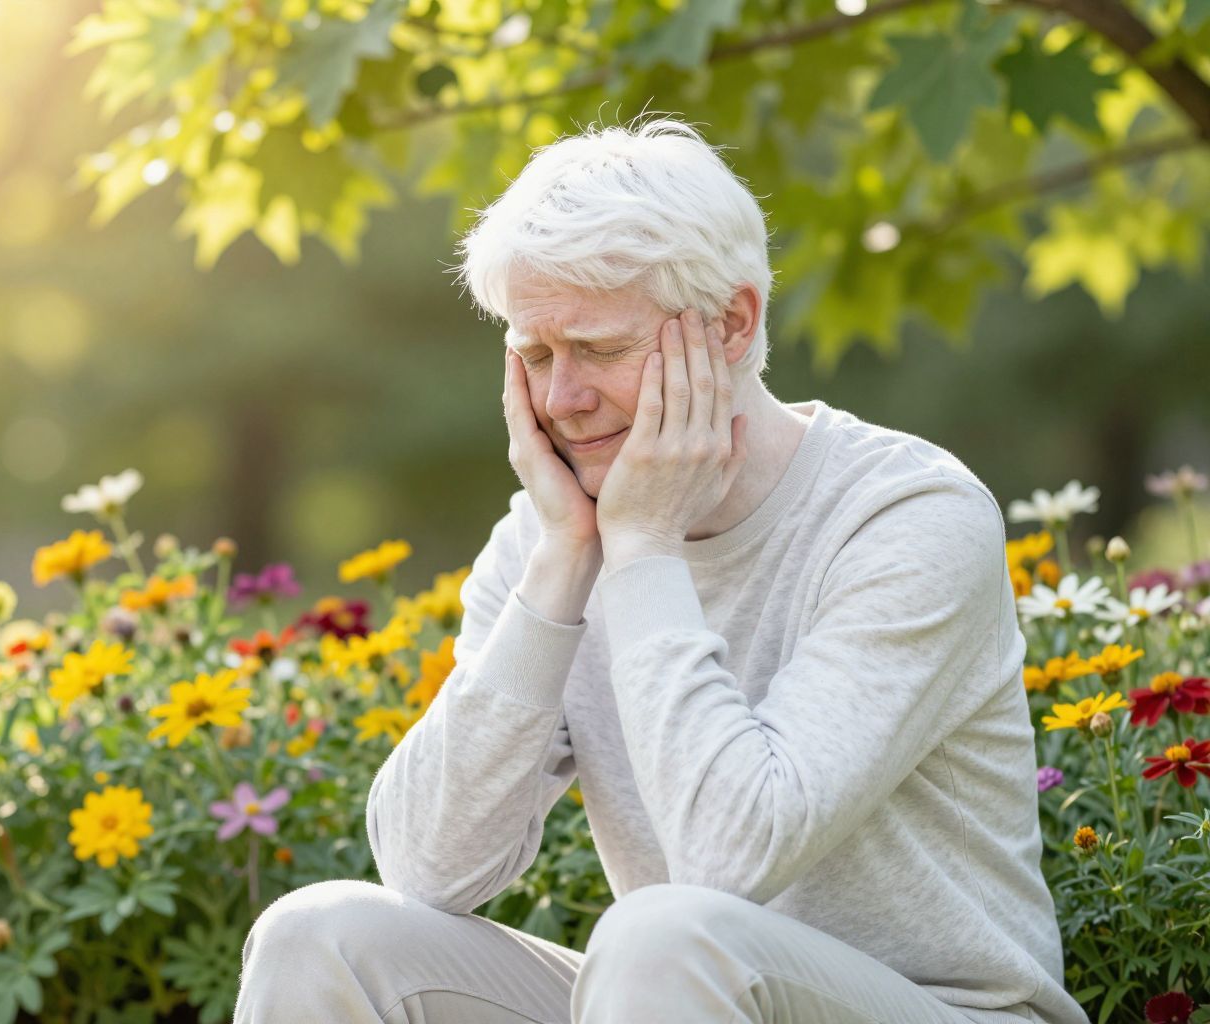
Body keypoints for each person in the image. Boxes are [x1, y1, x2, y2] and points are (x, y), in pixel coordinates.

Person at [233, 116, 1090, 1024]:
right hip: (683, 995)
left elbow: (734, 855)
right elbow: (428, 865)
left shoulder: (908, 516)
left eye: (600, 349)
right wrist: (565, 560)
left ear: (732, 322)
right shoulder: (547, 535)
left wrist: (644, 549)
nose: (562, 399)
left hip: (946, 1011)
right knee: (318, 936)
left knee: (665, 935)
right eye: (534, 354)